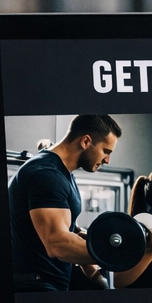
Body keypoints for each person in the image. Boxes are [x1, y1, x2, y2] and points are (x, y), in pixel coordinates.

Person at [8, 114, 120, 292]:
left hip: (50, 283)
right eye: (106, 151)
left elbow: (67, 231)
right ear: (85, 141)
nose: (107, 160)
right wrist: (117, 253)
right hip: (34, 286)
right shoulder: (46, 173)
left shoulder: (63, 174)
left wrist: (100, 281)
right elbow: (57, 243)